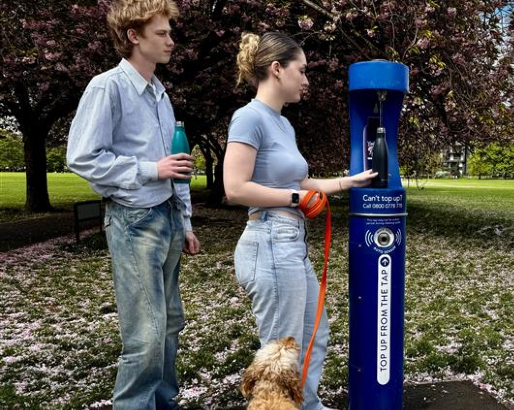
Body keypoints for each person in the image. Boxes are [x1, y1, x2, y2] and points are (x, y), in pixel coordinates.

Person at [222, 31, 376, 410]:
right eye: (302, 70)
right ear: (277, 69)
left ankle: (306, 405)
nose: (306, 80)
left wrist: (346, 182)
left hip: (291, 243)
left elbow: (300, 181)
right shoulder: (249, 118)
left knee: (312, 336)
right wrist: (295, 198)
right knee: (280, 352)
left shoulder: (283, 124)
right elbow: (235, 187)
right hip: (269, 240)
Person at [66, 0, 200, 408]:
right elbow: (82, 156)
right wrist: (150, 169)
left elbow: (174, 166)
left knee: (170, 324)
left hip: (169, 218)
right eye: (161, 33)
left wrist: (187, 220)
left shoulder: (160, 93)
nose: (171, 41)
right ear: (133, 36)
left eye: (170, 33)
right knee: (145, 334)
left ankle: (163, 403)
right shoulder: (107, 86)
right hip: (133, 221)